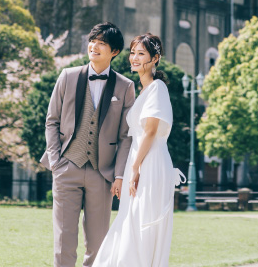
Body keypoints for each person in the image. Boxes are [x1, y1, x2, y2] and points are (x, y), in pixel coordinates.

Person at [41, 22, 136, 267]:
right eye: (92, 40)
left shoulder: (125, 87)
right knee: (64, 240)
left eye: (101, 43)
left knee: (98, 244)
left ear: (114, 52)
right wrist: (55, 162)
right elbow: (51, 121)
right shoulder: (68, 76)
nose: (94, 46)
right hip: (66, 168)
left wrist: (118, 176)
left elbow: (127, 136)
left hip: (101, 173)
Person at [93, 32, 184, 267]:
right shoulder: (142, 90)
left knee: (143, 221)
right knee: (130, 220)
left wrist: (134, 168)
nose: (134, 57)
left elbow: (151, 130)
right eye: (132, 52)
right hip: (140, 159)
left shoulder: (157, 88)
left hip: (150, 163)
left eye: (141, 53)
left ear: (155, 58)